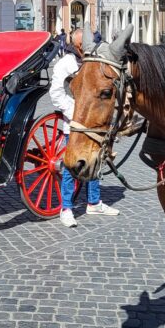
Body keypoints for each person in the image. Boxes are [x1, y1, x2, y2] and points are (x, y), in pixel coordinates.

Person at [49, 29, 121, 227]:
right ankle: (66, 208)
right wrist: (75, 111)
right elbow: (56, 94)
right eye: (80, 46)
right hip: (75, 123)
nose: (83, 49)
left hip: (93, 124)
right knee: (70, 166)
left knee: (96, 158)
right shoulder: (65, 64)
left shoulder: (92, 62)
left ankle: (94, 201)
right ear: (74, 45)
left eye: (85, 46)